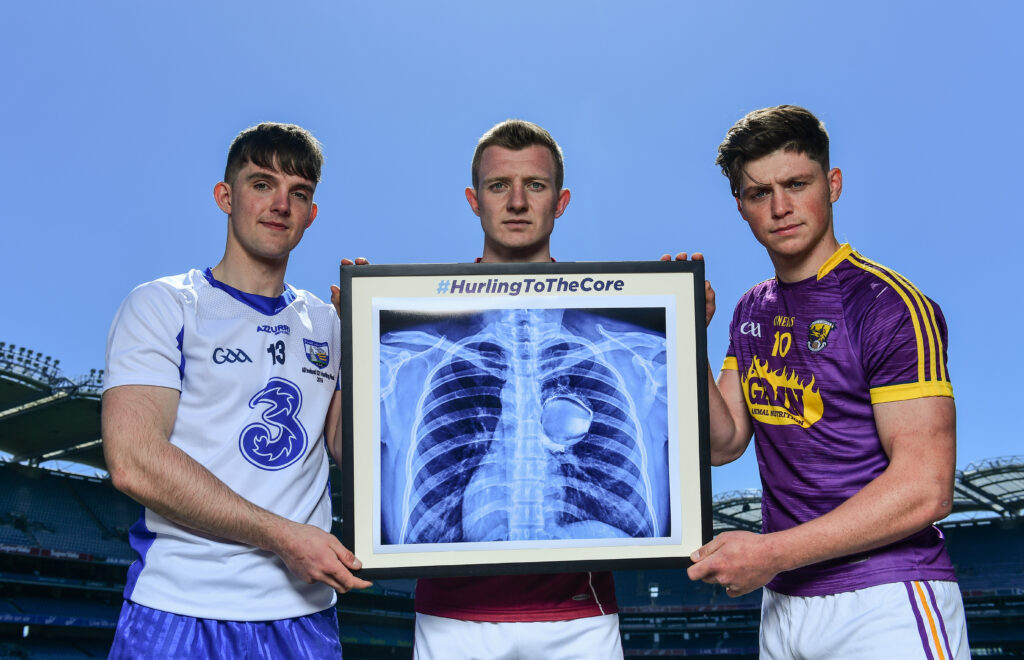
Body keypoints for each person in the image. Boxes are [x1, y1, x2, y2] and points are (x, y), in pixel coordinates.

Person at [687, 105, 969, 658]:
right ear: (740, 206)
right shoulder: (751, 309)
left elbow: (927, 487)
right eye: (759, 193)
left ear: (832, 184)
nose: (780, 208)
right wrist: (688, 335)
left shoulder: (890, 306)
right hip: (784, 603)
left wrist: (772, 553)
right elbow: (723, 443)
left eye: (797, 184)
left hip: (885, 598)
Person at [101, 122, 370, 658]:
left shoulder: (329, 322)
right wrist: (283, 536)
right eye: (262, 184)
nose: (281, 205)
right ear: (226, 196)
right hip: (179, 606)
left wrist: (368, 344)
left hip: (301, 615)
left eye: (299, 193)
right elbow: (134, 461)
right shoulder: (165, 305)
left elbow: (352, 453)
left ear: (311, 214)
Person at [411, 119, 624, 659]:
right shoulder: (428, 312)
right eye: (499, 185)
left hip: (578, 616)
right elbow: (351, 453)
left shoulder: (604, 312)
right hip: (453, 617)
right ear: (474, 200)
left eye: (535, 185)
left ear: (560, 201)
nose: (517, 202)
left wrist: (687, 328)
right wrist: (356, 345)